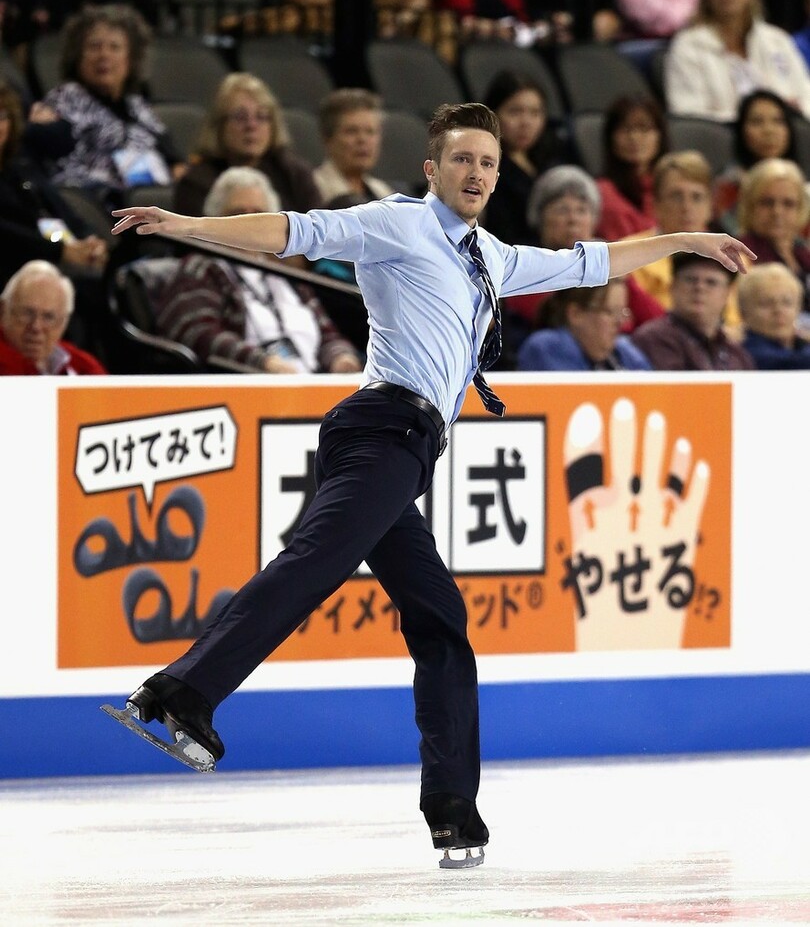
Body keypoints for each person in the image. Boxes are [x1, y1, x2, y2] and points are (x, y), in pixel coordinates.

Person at [108, 101, 753, 866]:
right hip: (380, 428)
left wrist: (685, 240)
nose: (476, 172)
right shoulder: (396, 222)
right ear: (432, 169)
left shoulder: (497, 258)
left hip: (408, 448)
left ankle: (452, 806)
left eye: (488, 162)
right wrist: (182, 224)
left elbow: (593, 261)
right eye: (462, 160)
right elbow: (294, 231)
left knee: (442, 621)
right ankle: (182, 691)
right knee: (315, 560)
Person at [158, 167, 361, 374]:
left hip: (308, 384)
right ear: (215, 220)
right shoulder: (200, 269)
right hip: (249, 386)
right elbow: (198, 333)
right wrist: (262, 363)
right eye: (237, 214)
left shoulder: (285, 273)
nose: (247, 223)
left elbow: (328, 334)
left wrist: (341, 358)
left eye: (257, 215)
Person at [23, 4, 182, 204]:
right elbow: (48, 145)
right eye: (94, 47)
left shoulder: (136, 105)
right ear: (78, 56)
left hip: (147, 198)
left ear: (131, 59)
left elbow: (169, 151)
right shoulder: (65, 98)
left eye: (114, 47)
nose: (104, 55)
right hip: (93, 201)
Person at [505, 164, 664, 344]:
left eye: (582, 210)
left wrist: (618, 273)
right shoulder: (524, 261)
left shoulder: (608, 262)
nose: (573, 219)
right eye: (562, 210)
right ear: (540, 218)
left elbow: (656, 319)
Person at [0, 78, 108, 287]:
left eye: (2, 115)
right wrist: (60, 252)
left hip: (55, 262)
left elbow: (61, 209)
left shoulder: (21, 166)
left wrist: (89, 240)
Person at [172, 73, 322, 218]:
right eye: (240, 117)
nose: (251, 126)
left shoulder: (294, 175)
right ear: (219, 125)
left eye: (261, 117)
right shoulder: (195, 183)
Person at [665, 0, 810, 122]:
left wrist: (791, 113)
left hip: (787, 143)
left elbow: (805, 94)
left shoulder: (777, 40)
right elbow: (688, 115)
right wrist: (750, 122)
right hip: (720, 146)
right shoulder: (687, 46)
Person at [627, 151, 722, 312]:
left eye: (697, 197)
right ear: (656, 205)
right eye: (676, 196)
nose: (687, 207)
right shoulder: (628, 253)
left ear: (710, 207)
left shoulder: (732, 255)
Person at [481, 71, 565, 246]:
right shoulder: (487, 170)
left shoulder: (549, 163)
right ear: (493, 115)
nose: (526, 122)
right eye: (515, 112)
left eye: (535, 113)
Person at [632, 252, 755, 369]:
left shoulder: (736, 353)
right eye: (690, 279)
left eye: (711, 282)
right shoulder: (654, 338)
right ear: (672, 286)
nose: (699, 288)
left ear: (727, 293)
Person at [714, 89, 801, 236]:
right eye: (757, 121)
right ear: (742, 130)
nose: (769, 130)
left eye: (778, 121)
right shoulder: (728, 185)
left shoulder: (800, 184)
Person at [0, 259, 106, 374]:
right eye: (27, 313)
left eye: (48, 317)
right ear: (3, 310)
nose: (36, 327)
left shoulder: (84, 367)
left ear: (64, 322)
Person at [516, 281, 652, 370]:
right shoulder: (546, 348)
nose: (620, 323)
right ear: (575, 314)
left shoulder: (625, 352)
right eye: (609, 312)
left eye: (621, 313)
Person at [736, 158, 810, 313]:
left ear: (801, 210)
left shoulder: (804, 254)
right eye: (767, 202)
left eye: (788, 204)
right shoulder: (738, 256)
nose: (777, 212)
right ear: (750, 207)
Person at [595, 95, 668, 242]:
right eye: (625, 129)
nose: (634, 137)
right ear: (611, 137)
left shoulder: (673, 187)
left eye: (644, 129)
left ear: (660, 136)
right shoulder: (602, 192)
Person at [313, 89, 393, 205]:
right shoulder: (312, 189)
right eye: (351, 131)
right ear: (328, 138)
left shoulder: (384, 192)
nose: (362, 140)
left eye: (370, 132)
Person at [738, 262, 810, 368]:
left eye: (787, 302)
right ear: (744, 312)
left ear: (798, 307)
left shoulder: (802, 346)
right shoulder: (743, 354)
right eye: (766, 303)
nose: (778, 310)